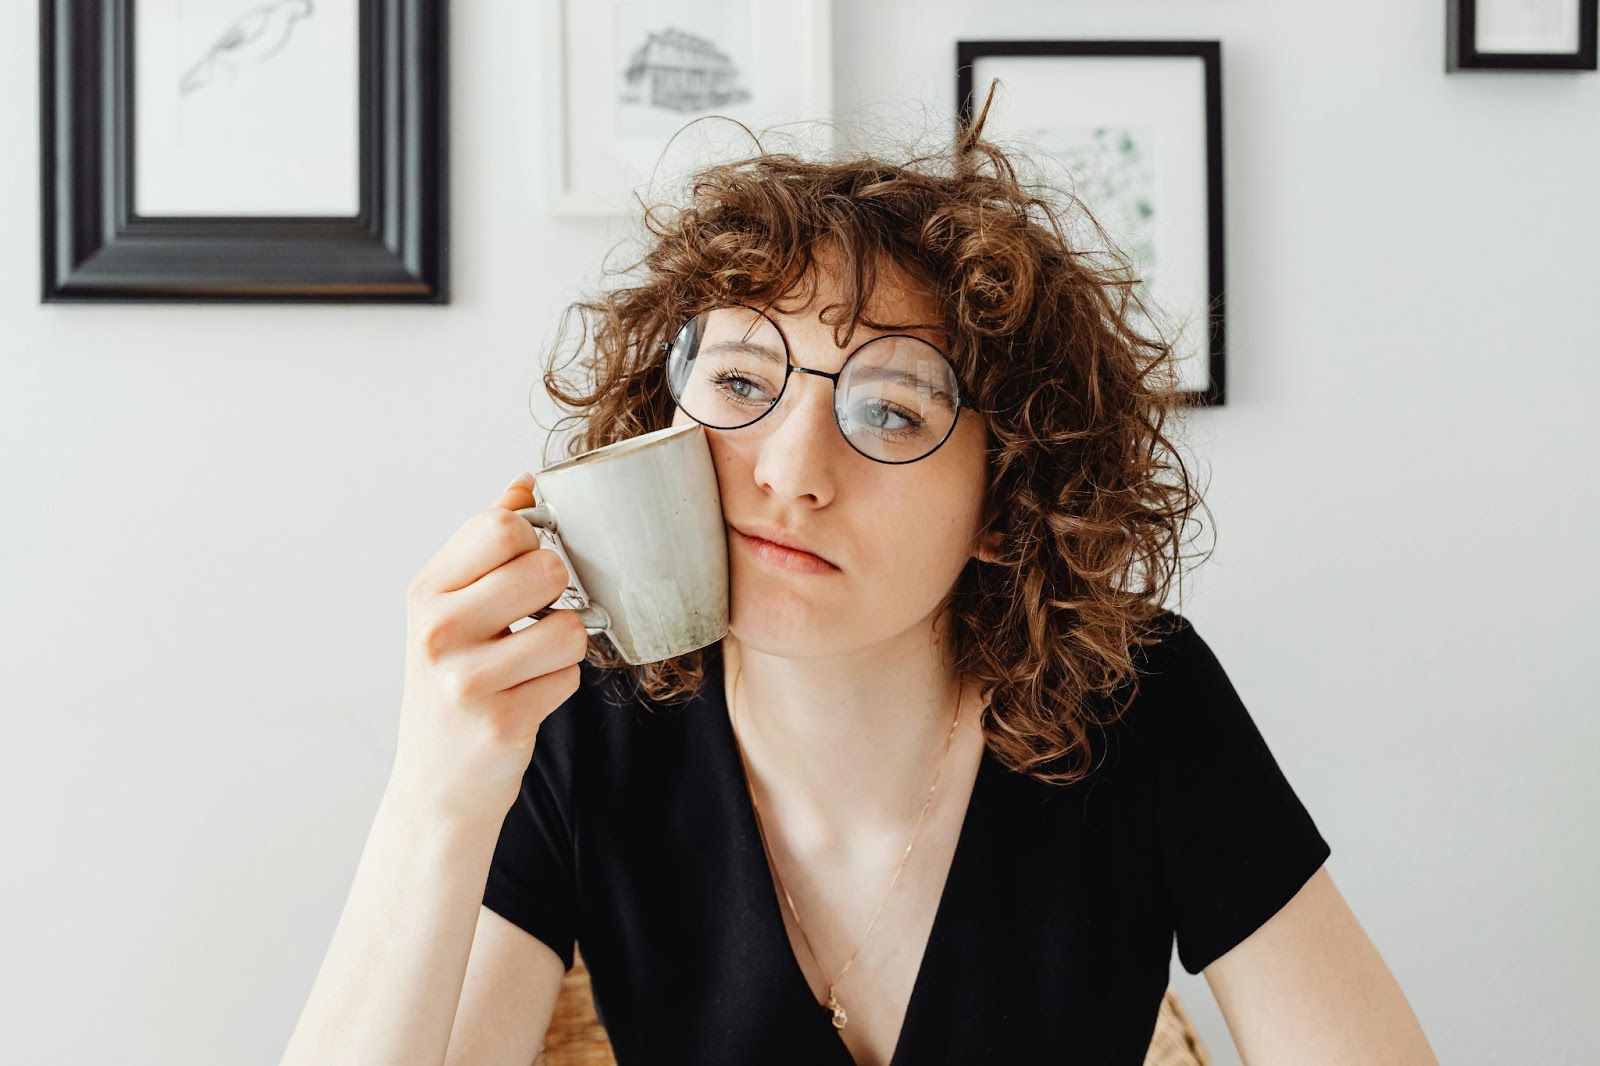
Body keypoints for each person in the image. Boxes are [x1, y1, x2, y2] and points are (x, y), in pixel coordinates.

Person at [278, 90, 1440, 1066]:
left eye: (890, 408)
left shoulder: (1136, 699)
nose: (791, 472)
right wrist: (435, 798)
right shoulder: (586, 719)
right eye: (740, 384)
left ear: (1007, 499)